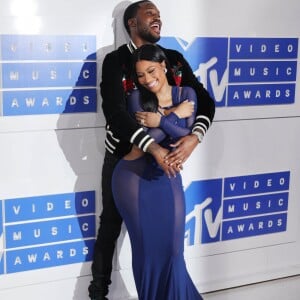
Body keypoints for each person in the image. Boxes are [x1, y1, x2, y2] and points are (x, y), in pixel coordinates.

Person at [88, 1, 215, 299]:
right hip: (126, 160)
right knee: (111, 225)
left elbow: (204, 102)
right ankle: (98, 293)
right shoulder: (115, 61)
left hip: (164, 167)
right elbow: (116, 113)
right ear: (132, 23)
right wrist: (154, 144)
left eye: (159, 14)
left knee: (171, 244)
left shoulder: (173, 59)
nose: (157, 17)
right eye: (150, 13)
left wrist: (195, 136)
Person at [112, 43, 203, 299]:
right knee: (146, 252)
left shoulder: (187, 92)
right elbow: (145, 142)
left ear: (164, 65)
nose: (147, 80)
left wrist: (161, 119)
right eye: (140, 75)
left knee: (173, 251)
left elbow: (185, 138)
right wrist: (174, 116)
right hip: (132, 178)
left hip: (167, 177)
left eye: (152, 71)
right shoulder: (136, 98)